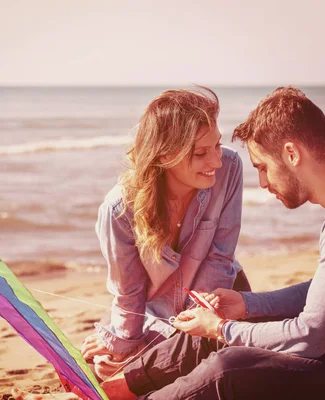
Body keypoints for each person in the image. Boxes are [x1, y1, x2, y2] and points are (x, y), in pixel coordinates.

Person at [102, 87, 325, 399]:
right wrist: (245, 306)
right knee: (225, 326)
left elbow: (311, 335)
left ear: (291, 153)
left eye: (263, 167)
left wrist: (223, 329)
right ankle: (121, 386)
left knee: (227, 370)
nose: (262, 183)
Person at [80, 87, 250, 381]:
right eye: (201, 153)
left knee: (203, 370)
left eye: (217, 146)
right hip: (151, 313)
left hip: (217, 300)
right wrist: (125, 344)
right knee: (102, 365)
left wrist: (153, 346)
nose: (216, 162)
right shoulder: (119, 210)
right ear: (166, 155)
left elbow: (220, 260)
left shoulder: (230, 169)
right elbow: (128, 292)